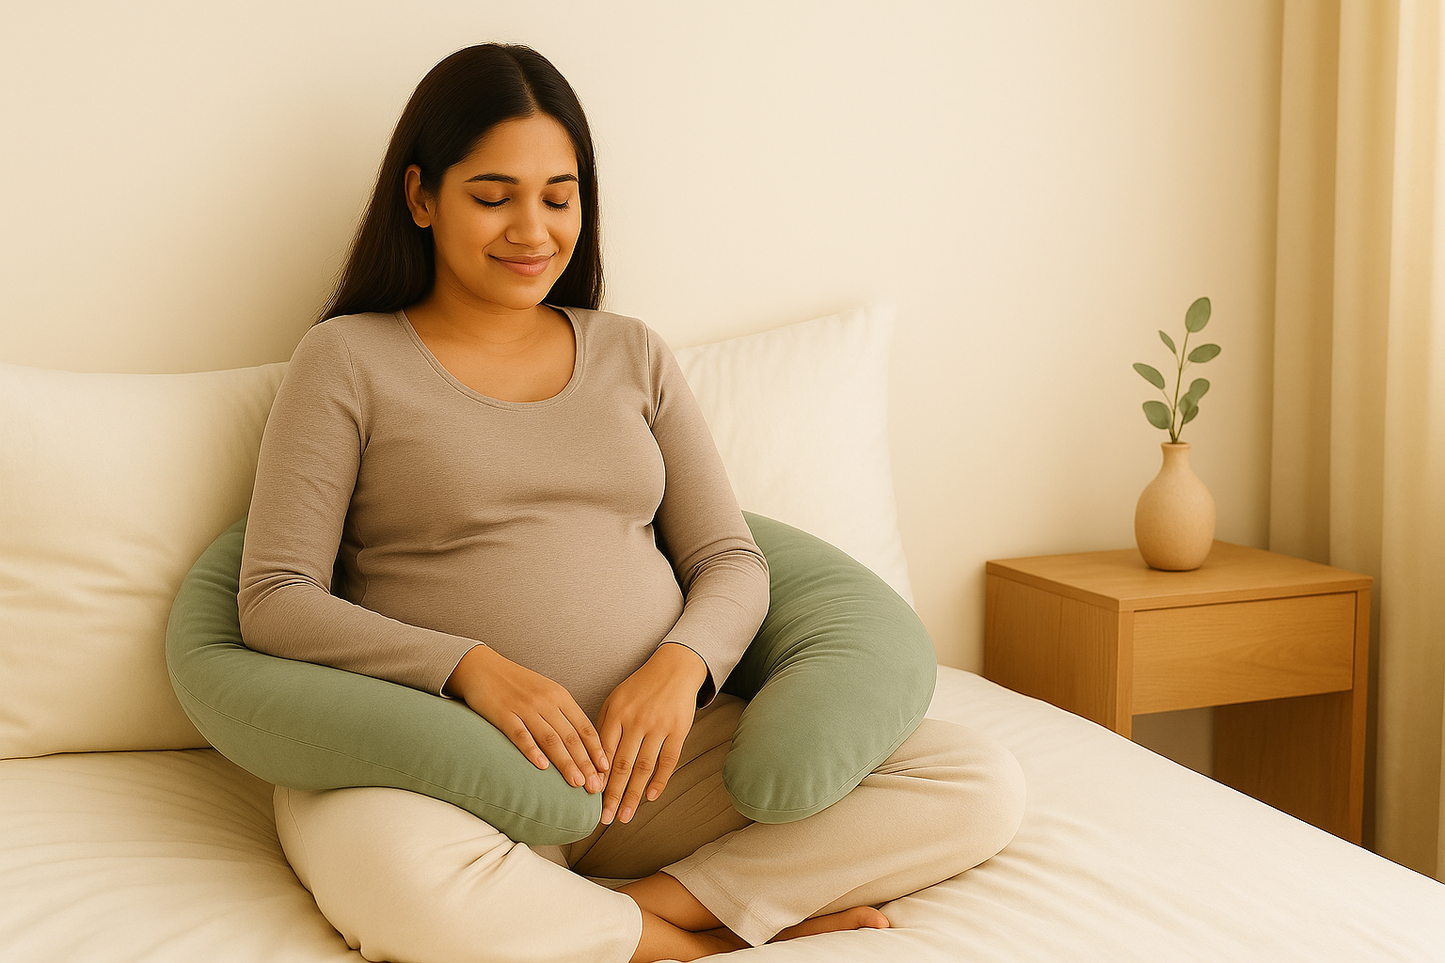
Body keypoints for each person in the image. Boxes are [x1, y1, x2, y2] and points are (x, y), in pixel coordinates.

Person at [238, 43, 1024, 963]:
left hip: (656, 766)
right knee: (395, 880)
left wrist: (681, 666)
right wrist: (470, 668)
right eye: (493, 196)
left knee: (974, 780)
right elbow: (276, 597)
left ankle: (652, 910)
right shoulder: (347, 360)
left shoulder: (632, 354)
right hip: (452, 770)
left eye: (558, 196)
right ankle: (689, 937)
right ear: (420, 198)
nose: (531, 228)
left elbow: (728, 558)